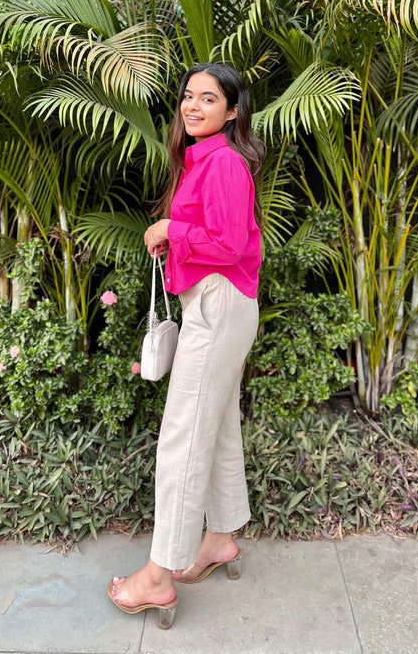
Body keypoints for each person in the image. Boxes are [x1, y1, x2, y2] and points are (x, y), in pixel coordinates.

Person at [107, 62, 265, 629]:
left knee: (183, 434)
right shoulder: (208, 159)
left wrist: (171, 230)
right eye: (187, 96)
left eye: (208, 98)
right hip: (222, 303)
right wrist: (174, 235)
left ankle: (158, 576)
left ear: (232, 110)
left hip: (219, 304)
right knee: (216, 424)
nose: (193, 106)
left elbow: (225, 244)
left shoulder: (222, 162)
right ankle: (220, 538)